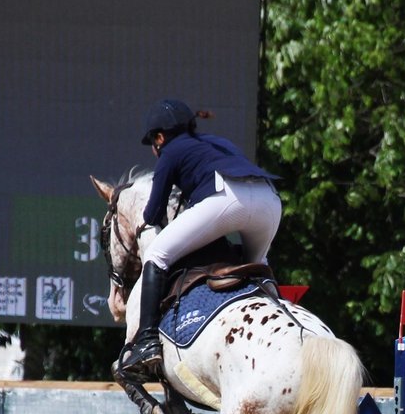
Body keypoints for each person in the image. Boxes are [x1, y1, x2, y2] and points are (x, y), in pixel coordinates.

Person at [118, 99, 282, 378]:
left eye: (154, 143)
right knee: (257, 265)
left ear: (159, 137)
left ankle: (145, 341)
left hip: (229, 197)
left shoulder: (170, 151)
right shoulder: (217, 142)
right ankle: (278, 315)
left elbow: (154, 212)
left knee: (156, 254)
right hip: (270, 201)